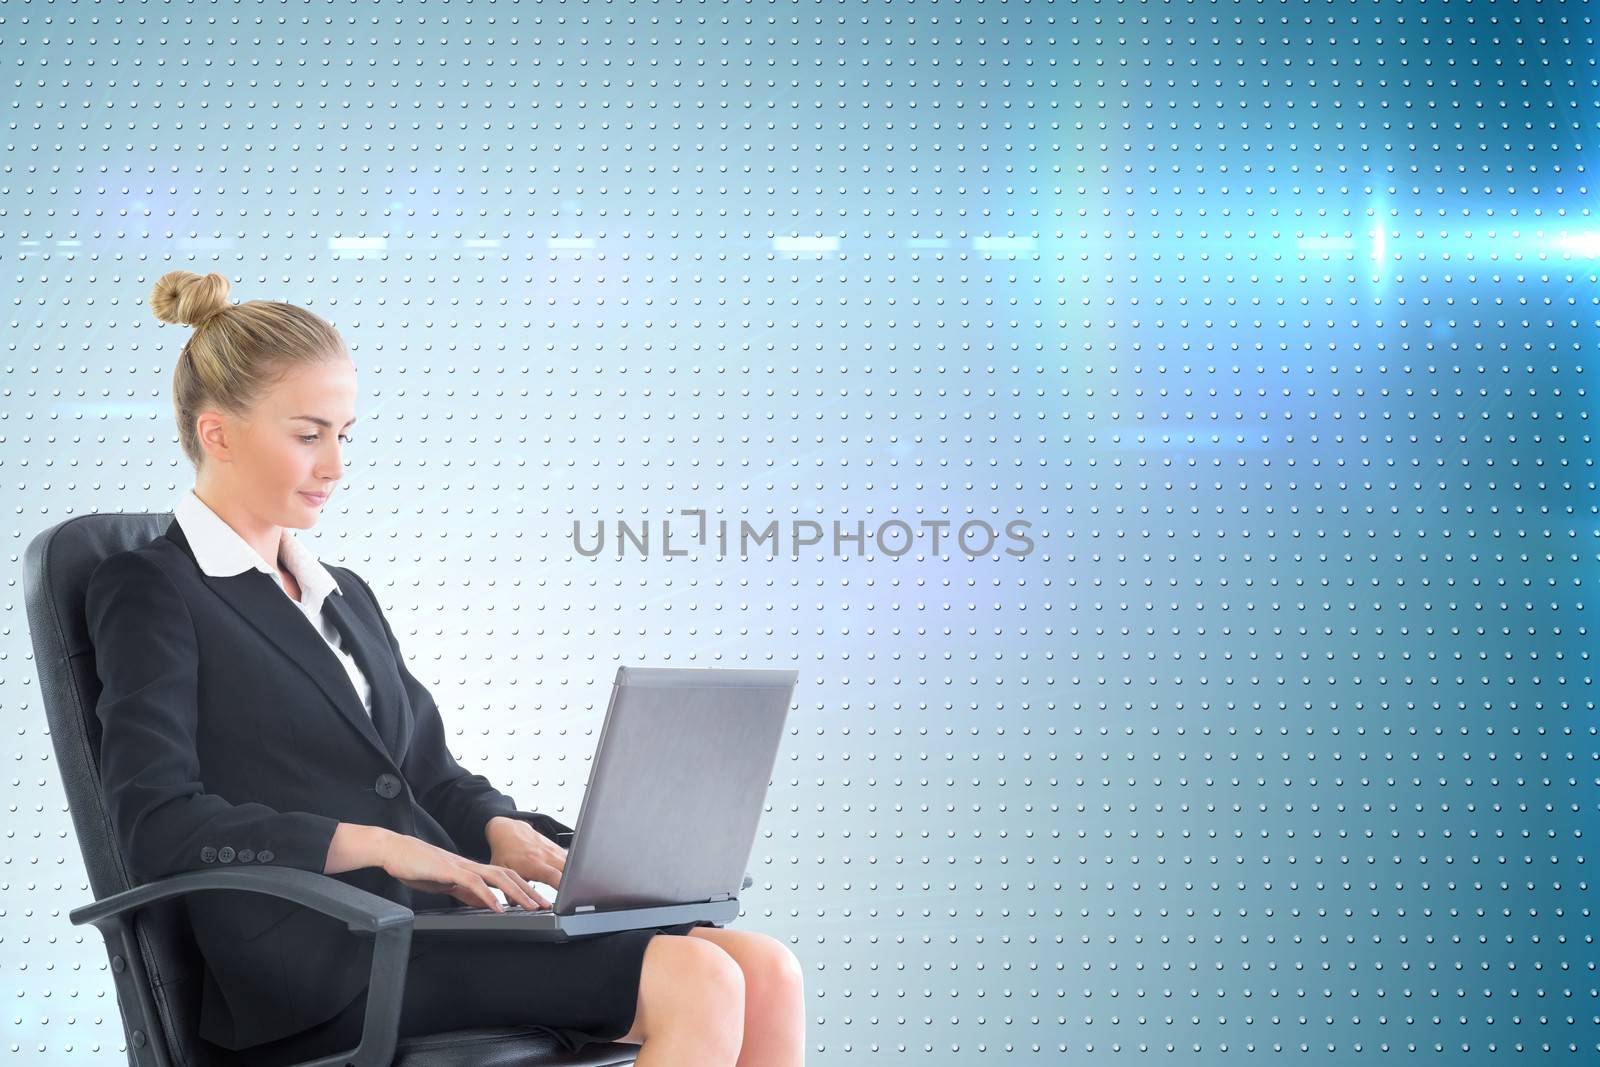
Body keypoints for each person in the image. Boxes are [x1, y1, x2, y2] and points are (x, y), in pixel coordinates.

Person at [83, 270, 805, 1067]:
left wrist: (503, 829)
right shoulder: (154, 587)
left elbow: (426, 773)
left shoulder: (340, 594)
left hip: (426, 922)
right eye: (308, 433)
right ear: (218, 434)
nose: (335, 465)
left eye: (344, 434)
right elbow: (158, 826)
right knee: (695, 979)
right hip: (318, 954)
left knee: (767, 970)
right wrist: (383, 846)